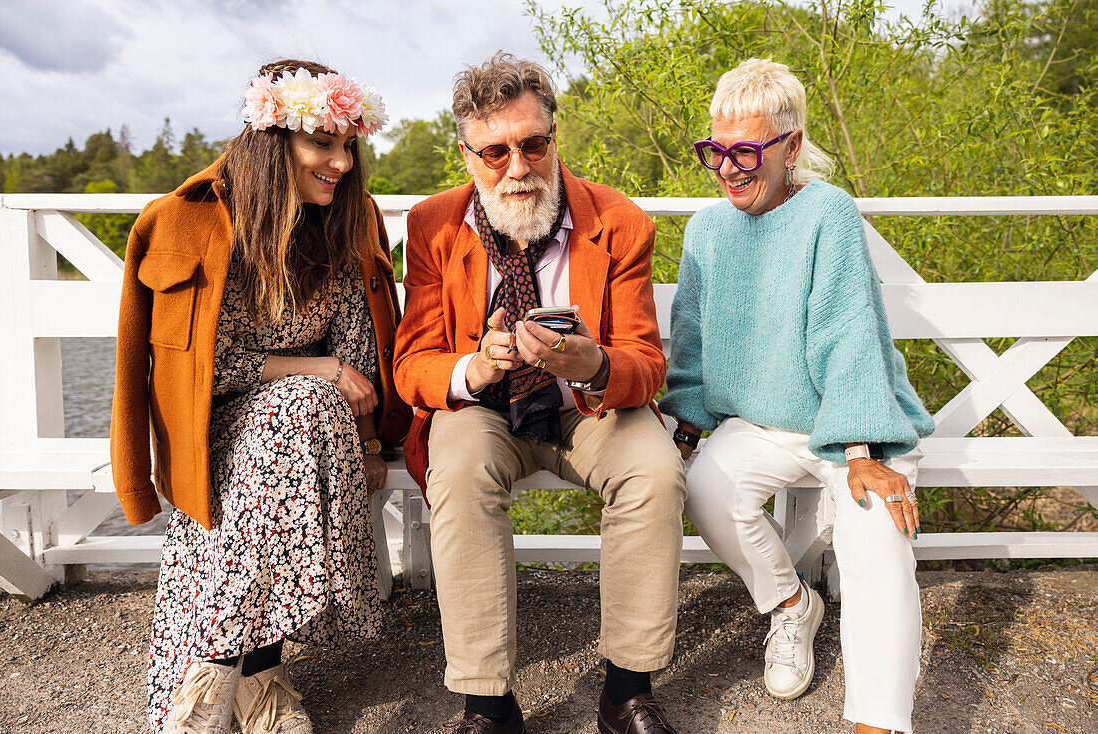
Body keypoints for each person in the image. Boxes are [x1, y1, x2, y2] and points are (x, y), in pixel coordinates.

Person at [110, 59, 409, 734]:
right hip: (211, 439)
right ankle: (253, 675)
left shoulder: (347, 221)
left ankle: (213, 673)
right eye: (321, 142)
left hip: (312, 435)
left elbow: (359, 353)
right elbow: (189, 373)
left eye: (347, 145)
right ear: (275, 141)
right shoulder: (186, 221)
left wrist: (361, 438)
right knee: (297, 406)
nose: (339, 160)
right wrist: (316, 367)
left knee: (298, 409)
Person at [394, 52, 686, 734]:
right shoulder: (433, 226)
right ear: (466, 154)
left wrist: (592, 363)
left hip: (585, 408)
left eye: (533, 144)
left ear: (555, 137)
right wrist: (474, 367)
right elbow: (412, 363)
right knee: (459, 469)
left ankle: (627, 691)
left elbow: (646, 362)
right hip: (486, 413)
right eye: (494, 152)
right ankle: (487, 703)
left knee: (654, 468)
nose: (517, 168)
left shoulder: (619, 221)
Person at [660, 58, 935, 734]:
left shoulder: (828, 213)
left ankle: (880, 720)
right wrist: (684, 435)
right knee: (704, 490)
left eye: (746, 152)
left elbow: (849, 331)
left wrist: (863, 448)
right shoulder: (706, 231)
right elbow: (690, 342)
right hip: (763, 423)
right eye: (716, 152)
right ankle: (790, 605)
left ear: (790, 146)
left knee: (876, 528)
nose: (727, 169)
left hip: (850, 420)